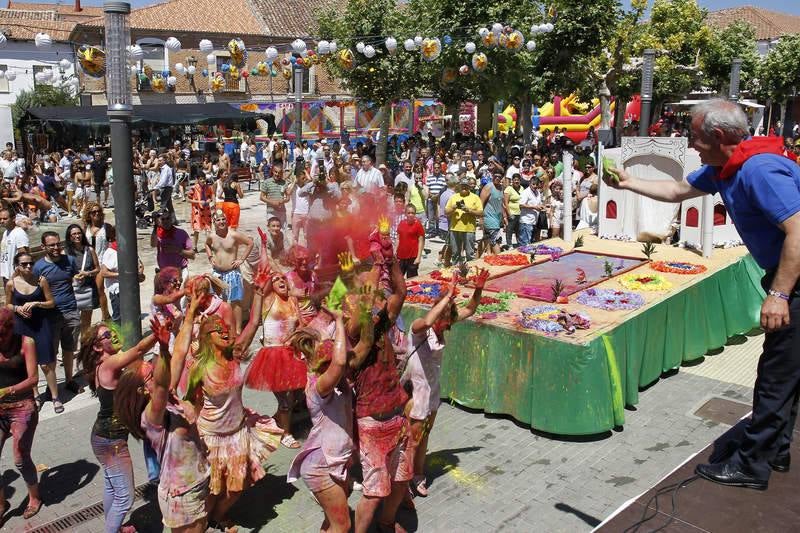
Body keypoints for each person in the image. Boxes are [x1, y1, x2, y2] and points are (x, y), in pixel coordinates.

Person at [606, 99, 800, 491]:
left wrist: (779, 293)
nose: (691, 145)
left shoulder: (759, 171)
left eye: (695, 136)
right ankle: (775, 449)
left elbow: (799, 230)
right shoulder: (727, 167)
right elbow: (679, 189)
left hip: (795, 285)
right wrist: (628, 182)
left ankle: (752, 466)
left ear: (717, 135)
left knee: (775, 378)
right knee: (787, 375)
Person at [172, 277, 281, 530]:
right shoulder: (199, 367)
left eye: (224, 328)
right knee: (211, 488)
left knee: (237, 487)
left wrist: (257, 293)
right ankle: (206, 520)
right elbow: (191, 403)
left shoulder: (236, 354)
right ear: (207, 337)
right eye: (217, 330)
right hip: (211, 436)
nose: (224, 332)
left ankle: (217, 516)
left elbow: (253, 323)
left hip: (237, 433)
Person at [114, 319, 211, 533]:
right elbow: (161, 383)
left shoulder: (170, 397)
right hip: (182, 493)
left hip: (198, 481)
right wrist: (163, 348)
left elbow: (180, 354)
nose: (156, 370)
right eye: (151, 373)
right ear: (142, 390)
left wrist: (190, 313)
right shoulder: (151, 417)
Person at [285, 305, 371, 533]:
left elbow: (358, 350)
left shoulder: (337, 382)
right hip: (320, 467)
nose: (333, 351)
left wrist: (369, 315)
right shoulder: (318, 385)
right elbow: (341, 362)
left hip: (336, 461)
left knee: (332, 521)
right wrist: (340, 321)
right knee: (342, 526)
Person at [404, 269, 488, 497]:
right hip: (416, 392)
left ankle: (418, 475)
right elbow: (430, 320)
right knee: (412, 440)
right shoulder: (420, 328)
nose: (446, 325)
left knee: (425, 436)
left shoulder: (443, 322)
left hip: (432, 391)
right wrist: (447, 296)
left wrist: (479, 288)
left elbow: (470, 309)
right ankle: (404, 481)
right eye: (444, 320)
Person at [79, 323, 157, 533]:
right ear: (97, 346)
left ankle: (115, 526)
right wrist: (158, 334)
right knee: (125, 497)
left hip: (102, 438)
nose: (113, 335)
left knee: (111, 485)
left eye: (113, 332)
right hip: (112, 443)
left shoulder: (101, 365)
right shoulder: (108, 365)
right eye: (106, 335)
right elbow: (140, 350)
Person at [244, 270, 304, 449]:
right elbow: (261, 295)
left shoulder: (293, 300)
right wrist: (265, 281)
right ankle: (286, 433)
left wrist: (299, 338)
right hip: (273, 356)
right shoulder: (269, 300)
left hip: (292, 353)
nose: (280, 281)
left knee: (294, 397)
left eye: (283, 278)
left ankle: (279, 417)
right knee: (285, 400)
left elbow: (300, 324)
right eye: (276, 280)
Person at [0, 307, 42, 520]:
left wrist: (8, 390)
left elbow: (34, 378)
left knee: (20, 458)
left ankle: (34, 497)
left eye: (3, 334)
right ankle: (1, 504)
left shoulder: (26, 342)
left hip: (22, 407)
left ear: (10, 329)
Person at [6, 251, 58, 411]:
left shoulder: (41, 281)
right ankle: (35, 395)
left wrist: (37, 303)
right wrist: (17, 308)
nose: (29, 266)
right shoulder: (11, 284)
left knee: (47, 364)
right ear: (17, 266)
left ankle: (55, 396)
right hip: (22, 326)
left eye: (31, 263)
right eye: (24, 264)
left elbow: (51, 303)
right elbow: (7, 305)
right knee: (30, 363)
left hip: (41, 324)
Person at [33, 231, 82, 395]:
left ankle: (69, 380)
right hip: (50, 315)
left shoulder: (70, 261)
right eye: (51, 245)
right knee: (51, 352)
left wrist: (80, 278)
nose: (56, 248)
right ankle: (51, 385)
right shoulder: (38, 267)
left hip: (71, 311)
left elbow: (75, 276)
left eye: (57, 244)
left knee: (69, 349)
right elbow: (34, 290)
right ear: (43, 246)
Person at [205, 210, 254, 333]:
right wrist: (210, 256)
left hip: (232, 273)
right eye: (218, 220)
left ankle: (237, 329)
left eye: (223, 219)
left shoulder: (233, 235)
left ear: (226, 220)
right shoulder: (212, 236)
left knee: (235, 302)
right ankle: (222, 326)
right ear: (214, 222)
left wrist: (241, 259)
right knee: (218, 301)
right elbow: (206, 244)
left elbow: (250, 243)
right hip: (217, 273)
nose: (221, 222)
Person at [64, 224, 100, 341]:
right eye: (73, 234)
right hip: (72, 290)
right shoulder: (65, 253)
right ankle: (70, 346)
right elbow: (62, 272)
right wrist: (73, 276)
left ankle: (84, 344)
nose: (77, 236)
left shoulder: (90, 249)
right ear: (69, 237)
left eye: (79, 233)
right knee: (73, 321)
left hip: (88, 289)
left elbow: (97, 269)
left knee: (86, 320)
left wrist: (87, 273)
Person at [444, 179, 483, 264]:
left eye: (466, 186)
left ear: (469, 187)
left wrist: (469, 210)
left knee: (470, 254)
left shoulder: (475, 197)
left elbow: (480, 212)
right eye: (462, 186)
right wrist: (454, 207)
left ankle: (470, 272)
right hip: (455, 228)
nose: (464, 187)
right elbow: (446, 212)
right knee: (455, 254)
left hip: (469, 229)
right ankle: (456, 272)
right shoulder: (454, 197)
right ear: (459, 186)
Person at [150, 210, 195, 280]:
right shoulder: (157, 235)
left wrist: (178, 250)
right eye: (163, 219)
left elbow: (192, 255)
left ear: (171, 219)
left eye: (167, 218)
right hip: (164, 272)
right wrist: (156, 226)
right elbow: (153, 244)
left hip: (181, 271)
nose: (165, 221)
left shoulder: (181, 233)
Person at [479, 170, 506, 256]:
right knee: (496, 240)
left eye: (499, 176)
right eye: (495, 176)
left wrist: (503, 218)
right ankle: (499, 260)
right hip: (489, 218)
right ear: (492, 176)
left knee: (485, 239)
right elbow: (481, 203)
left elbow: (501, 204)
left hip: (497, 219)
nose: (497, 178)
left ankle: (474, 260)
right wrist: (481, 219)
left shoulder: (501, 188)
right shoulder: (488, 187)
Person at [0, 208, 28, 287]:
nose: (2, 221)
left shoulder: (19, 233)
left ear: (13, 218)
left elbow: (24, 256)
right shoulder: (6, 232)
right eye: (0, 219)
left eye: (5, 219)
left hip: (15, 277)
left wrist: (15, 275)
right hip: (6, 274)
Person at [186, 174, 214, 253]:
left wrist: (209, 200)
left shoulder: (208, 187)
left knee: (208, 229)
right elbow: (188, 199)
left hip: (206, 210)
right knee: (197, 229)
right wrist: (198, 202)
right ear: (197, 179)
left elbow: (210, 196)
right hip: (197, 210)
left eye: (204, 179)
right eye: (201, 179)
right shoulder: (193, 188)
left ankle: (209, 245)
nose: (203, 181)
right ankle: (194, 247)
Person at [396, 204, 425, 278]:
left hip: (412, 257)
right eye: (409, 213)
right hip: (401, 256)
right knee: (398, 278)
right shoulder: (401, 223)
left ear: (415, 214)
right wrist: (394, 251)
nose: (410, 215)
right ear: (405, 213)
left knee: (412, 279)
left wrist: (418, 257)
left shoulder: (418, 225)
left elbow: (421, 241)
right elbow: (398, 239)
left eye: (412, 213)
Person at [260, 163, 291, 228]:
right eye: (275, 172)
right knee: (272, 231)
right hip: (271, 211)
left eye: (279, 173)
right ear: (272, 171)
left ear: (281, 173)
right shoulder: (267, 182)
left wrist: (282, 201)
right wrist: (271, 202)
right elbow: (262, 197)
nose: (277, 174)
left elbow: (288, 198)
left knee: (282, 230)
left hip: (281, 211)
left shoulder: (284, 183)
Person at [518, 178, 546, 246]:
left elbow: (538, 204)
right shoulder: (525, 192)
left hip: (534, 221)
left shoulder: (538, 192)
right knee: (525, 243)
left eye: (536, 184)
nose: (535, 186)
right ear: (530, 183)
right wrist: (534, 207)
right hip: (526, 221)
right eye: (533, 184)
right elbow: (521, 205)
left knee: (531, 242)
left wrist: (542, 206)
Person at [504, 174, 522, 248]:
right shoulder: (508, 189)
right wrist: (509, 214)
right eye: (515, 180)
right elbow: (505, 203)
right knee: (510, 230)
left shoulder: (522, 188)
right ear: (512, 181)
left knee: (519, 230)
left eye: (518, 180)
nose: (516, 181)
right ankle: (509, 244)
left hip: (520, 213)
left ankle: (519, 243)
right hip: (512, 213)